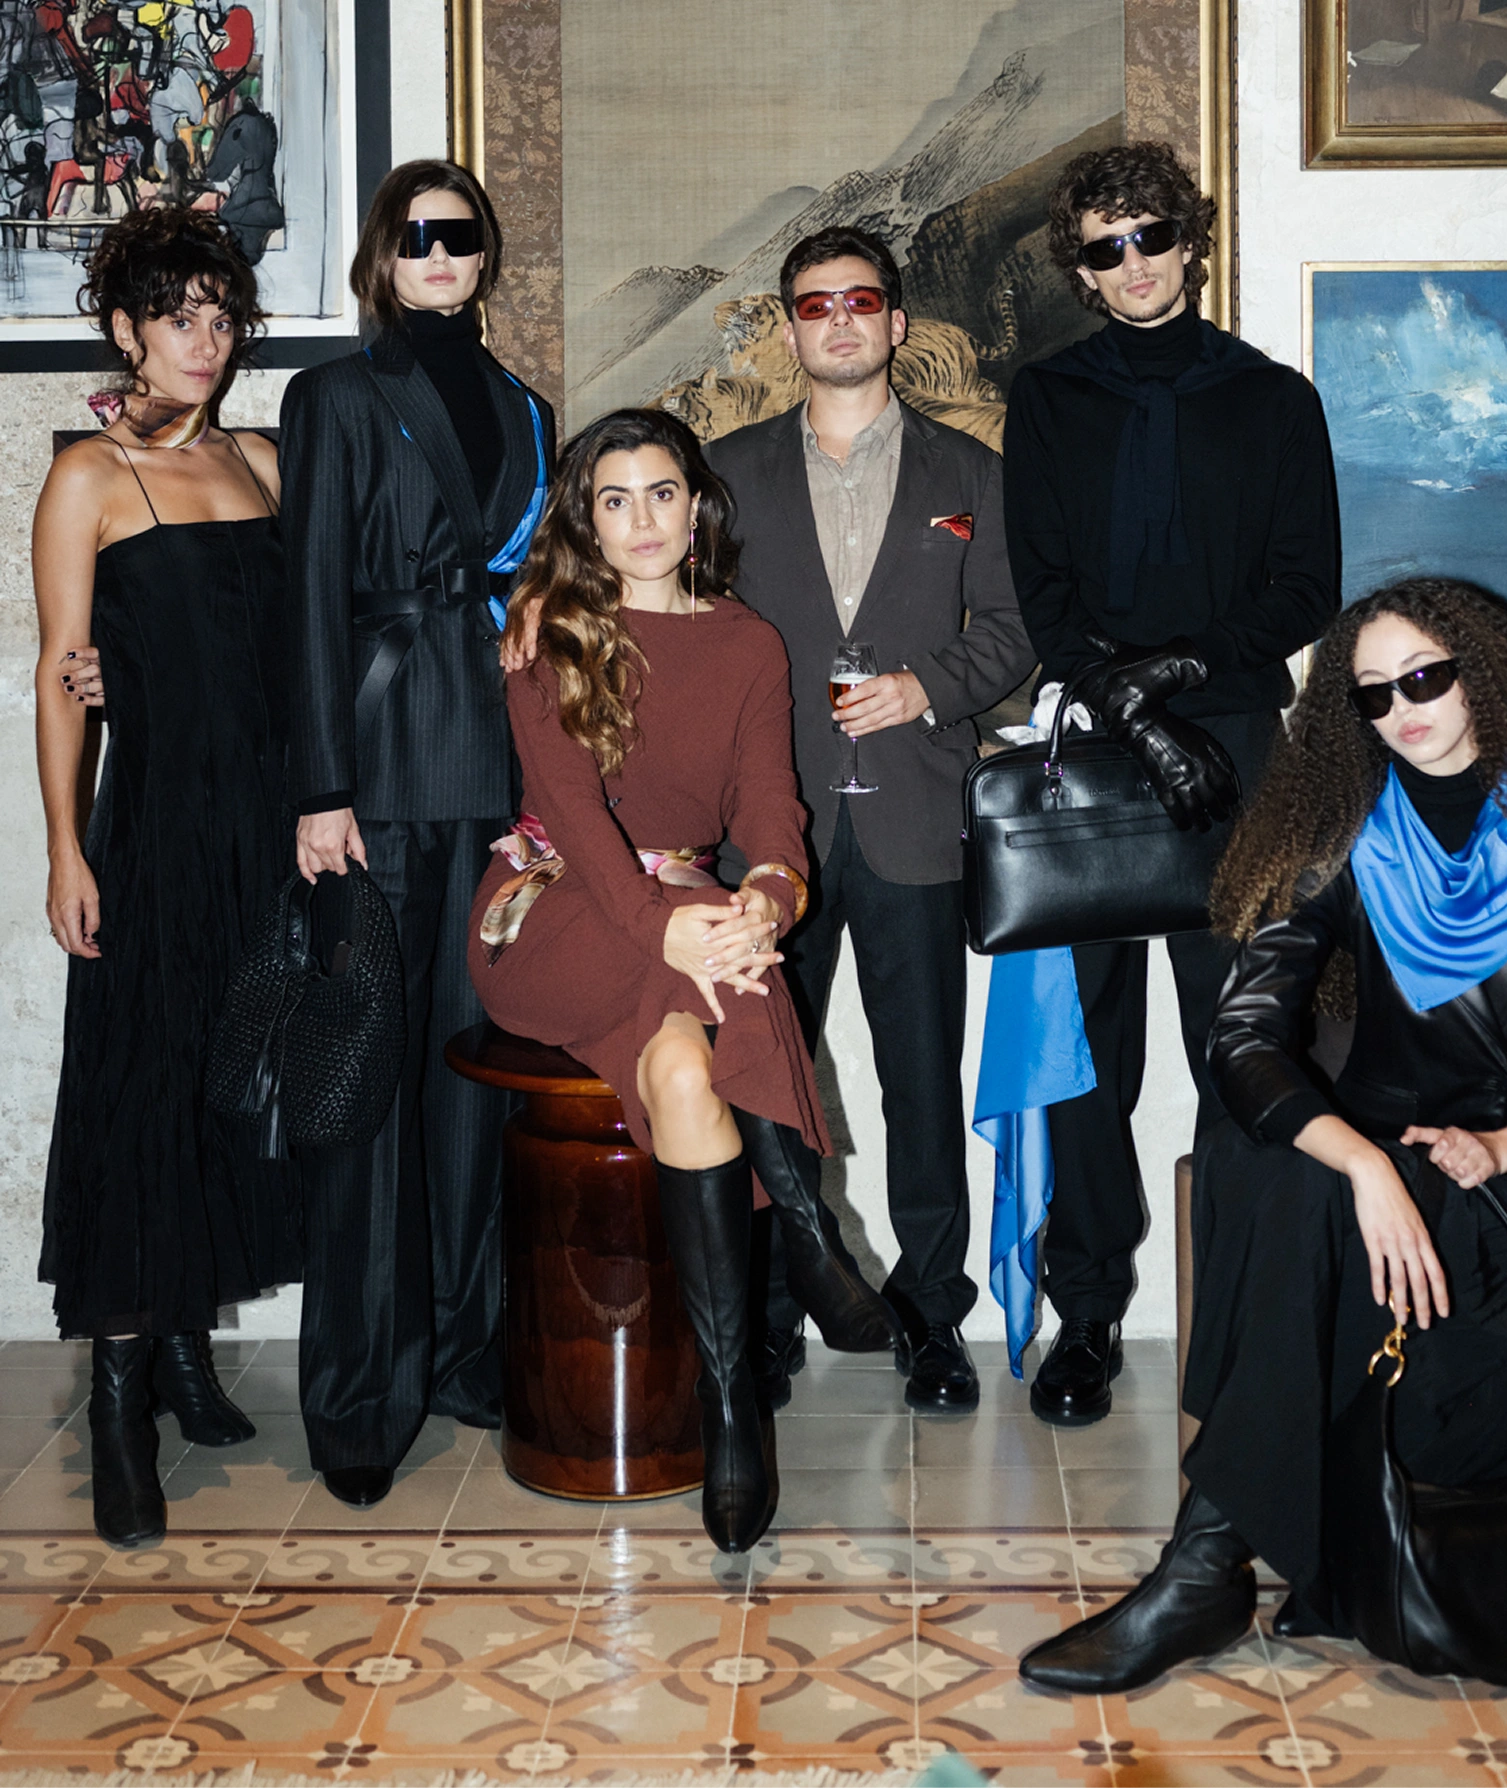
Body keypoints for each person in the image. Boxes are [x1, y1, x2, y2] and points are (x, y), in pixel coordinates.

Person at [1017, 577, 1507, 1693]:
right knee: (1267, 1163)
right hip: (1388, 1187)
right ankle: (1206, 1565)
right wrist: (1358, 1160)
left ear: (1483, 677)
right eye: (1374, 695)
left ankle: (1207, 1570)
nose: (1403, 711)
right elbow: (1243, 1034)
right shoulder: (1345, 839)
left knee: (1304, 1200)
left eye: (1424, 680)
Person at [472, 409, 896, 1553]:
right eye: (614, 500)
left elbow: (770, 804)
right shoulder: (553, 635)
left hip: (686, 920)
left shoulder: (751, 645)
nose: (642, 520)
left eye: (661, 493)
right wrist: (679, 928)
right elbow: (578, 825)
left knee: (684, 1067)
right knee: (716, 958)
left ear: (697, 505)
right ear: (587, 520)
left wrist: (770, 894)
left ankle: (730, 1413)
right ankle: (806, 1232)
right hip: (552, 909)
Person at [1002, 140, 1341, 1426]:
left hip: (1240, 745)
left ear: (1190, 242)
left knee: (1240, 1039)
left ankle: (1245, 1314)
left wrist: (1183, 677)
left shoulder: (1274, 398)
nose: (1133, 262)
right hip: (1099, 744)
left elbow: (1305, 589)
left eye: (1151, 235)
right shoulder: (1048, 400)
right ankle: (1089, 1313)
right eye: (1106, 247)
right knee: (1088, 1050)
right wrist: (1133, 713)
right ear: (1082, 272)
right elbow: (1044, 594)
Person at [707, 226, 1035, 1412]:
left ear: (896, 322)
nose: (838, 319)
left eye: (859, 300)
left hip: (915, 814)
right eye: (814, 304)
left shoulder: (973, 473)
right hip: (766, 828)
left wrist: (926, 688)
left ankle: (933, 1315)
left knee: (921, 1082)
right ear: (789, 328)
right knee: (761, 1080)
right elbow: (680, 624)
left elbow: (1014, 630)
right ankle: (772, 1312)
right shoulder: (724, 473)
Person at [280, 160, 555, 1507]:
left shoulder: (529, 410)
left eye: (461, 236)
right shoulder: (335, 395)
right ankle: (356, 1399)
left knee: (472, 1081)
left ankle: (459, 1353)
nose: (441, 255)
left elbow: (539, 600)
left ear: (485, 255)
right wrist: (317, 789)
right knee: (367, 1094)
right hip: (374, 780)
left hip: (491, 780)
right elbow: (311, 594)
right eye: (416, 236)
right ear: (383, 256)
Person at [33, 207, 300, 1550]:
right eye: (178, 317)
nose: (206, 340)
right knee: (142, 1095)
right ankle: (120, 1407)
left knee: (232, 1086)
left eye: (221, 316)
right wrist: (63, 845)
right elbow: (59, 671)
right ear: (125, 330)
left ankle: (190, 1355)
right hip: (154, 827)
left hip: (274, 829)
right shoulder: (88, 475)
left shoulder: (265, 459)